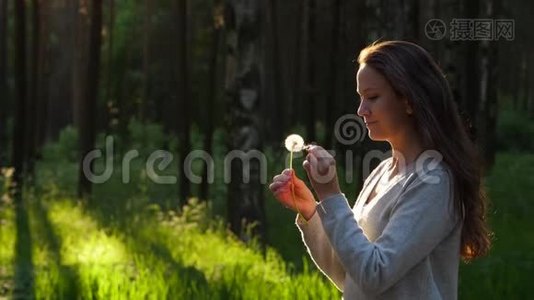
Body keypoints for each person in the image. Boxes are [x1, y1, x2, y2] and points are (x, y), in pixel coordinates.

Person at [269, 40, 491, 299]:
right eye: (360, 98)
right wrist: (312, 211)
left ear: (408, 100)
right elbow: (350, 274)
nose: (361, 110)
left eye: (372, 97)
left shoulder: (434, 181)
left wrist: (332, 196)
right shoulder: (383, 173)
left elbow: (375, 274)